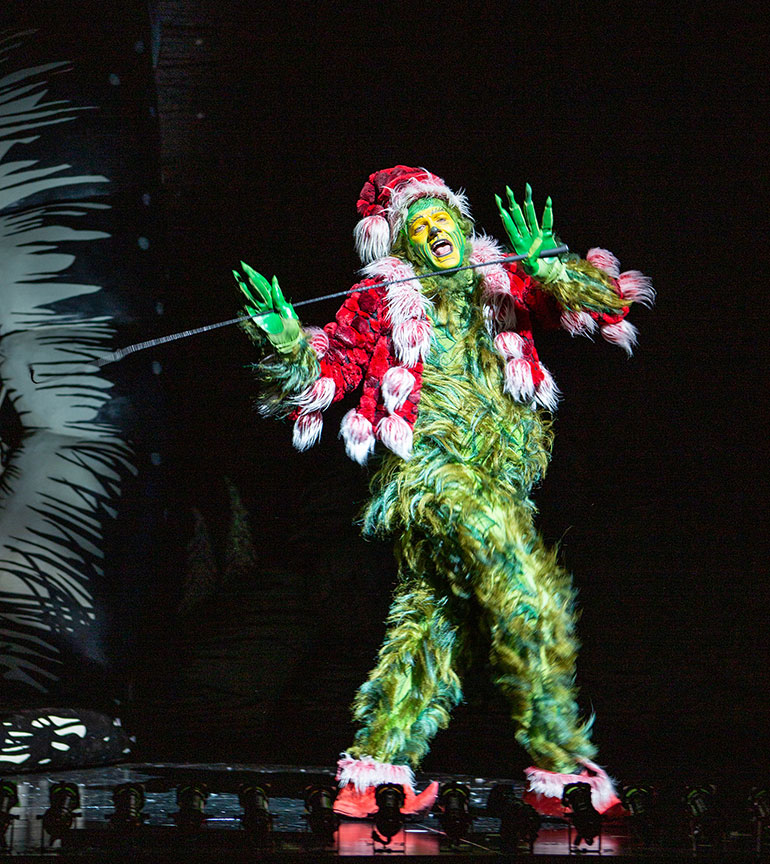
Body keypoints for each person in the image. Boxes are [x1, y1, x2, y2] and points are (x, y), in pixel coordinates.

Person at [235, 165, 653, 817]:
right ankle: (559, 762)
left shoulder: (502, 283)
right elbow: (335, 365)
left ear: (462, 226)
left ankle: (377, 770)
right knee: (525, 588)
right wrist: (291, 343)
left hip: (494, 481)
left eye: (442, 219)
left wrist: (551, 262)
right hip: (428, 477)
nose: (433, 230)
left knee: (430, 627)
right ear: (399, 244)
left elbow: (597, 305)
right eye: (417, 224)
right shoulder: (384, 299)